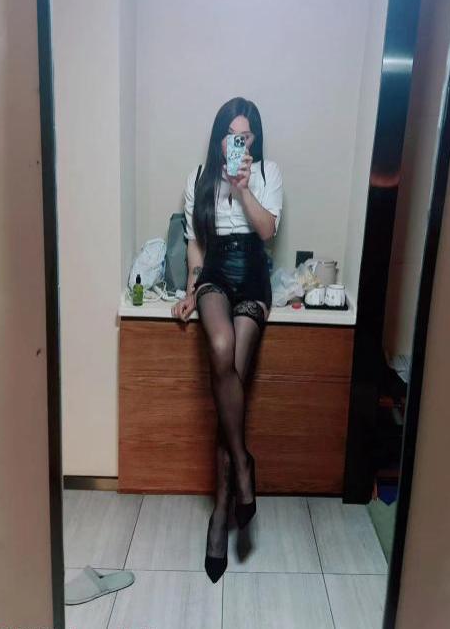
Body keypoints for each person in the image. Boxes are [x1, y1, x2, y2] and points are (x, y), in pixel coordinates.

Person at [171, 97, 283, 583]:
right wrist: (190, 290)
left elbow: (268, 231)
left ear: (254, 139)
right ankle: (243, 463)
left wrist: (243, 188)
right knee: (221, 351)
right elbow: (196, 243)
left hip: (253, 276)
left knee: (229, 381)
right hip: (215, 274)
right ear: (220, 137)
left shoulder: (267, 173)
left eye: (246, 135)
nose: (238, 142)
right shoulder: (198, 176)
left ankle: (220, 514)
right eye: (231, 134)